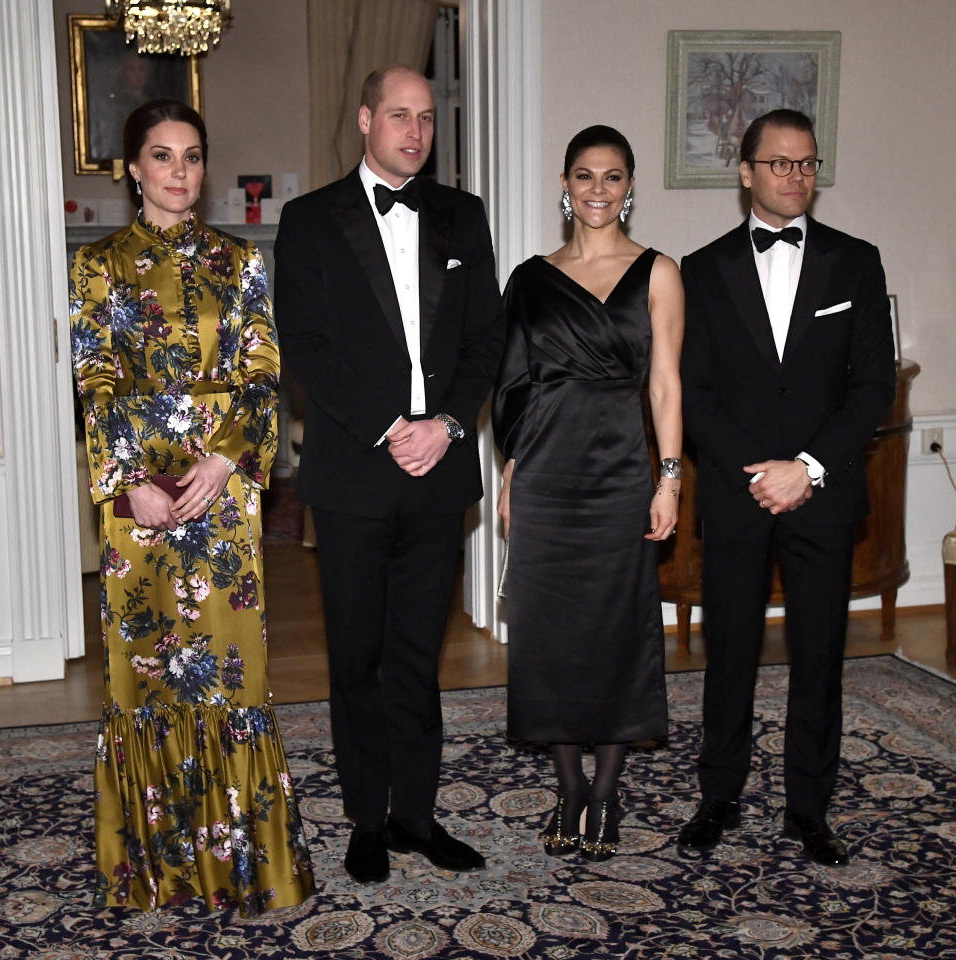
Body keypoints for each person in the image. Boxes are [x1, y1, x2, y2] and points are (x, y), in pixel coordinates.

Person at [69, 99, 315, 914]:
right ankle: (154, 869)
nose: (180, 171)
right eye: (163, 156)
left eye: (193, 155)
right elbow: (94, 378)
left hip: (222, 497)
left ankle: (241, 866)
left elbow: (262, 376)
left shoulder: (240, 262)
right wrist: (128, 477)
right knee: (146, 677)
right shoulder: (97, 265)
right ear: (133, 168)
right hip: (135, 501)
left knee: (228, 678)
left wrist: (224, 460)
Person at [274, 65, 504, 884]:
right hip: (353, 473)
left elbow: (488, 340)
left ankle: (416, 816)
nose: (415, 130)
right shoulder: (309, 221)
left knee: (416, 656)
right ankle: (365, 820)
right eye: (399, 115)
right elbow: (306, 347)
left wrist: (444, 427)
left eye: (427, 118)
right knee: (356, 659)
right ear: (366, 118)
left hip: (439, 473)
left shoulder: (462, 216)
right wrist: (389, 429)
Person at [677, 109, 896, 865]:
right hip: (738, 495)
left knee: (820, 653)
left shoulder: (856, 262)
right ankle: (719, 796)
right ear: (746, 173)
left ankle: (810, 808)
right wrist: (760, 474)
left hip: (823, 493)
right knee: (729, 650)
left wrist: (806, 469)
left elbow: (871, 389)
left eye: (805, 164)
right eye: (779, 163)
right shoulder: (699, 269)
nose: (795, 176)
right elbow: (692, 390)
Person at [493, 125, 683, 862]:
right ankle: (569, 788)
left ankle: (605, 793)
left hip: (621, 474)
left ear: (630, 187)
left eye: (612, 177)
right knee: (549, 635)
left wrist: (669, 477)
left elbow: (665, 384)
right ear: (564, 186)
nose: (597, 190)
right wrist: (511, 469)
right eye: (584, 175)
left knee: (614, 631)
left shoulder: (659, 272)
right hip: (545, 471)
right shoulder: (531, 277)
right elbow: (512, 383)